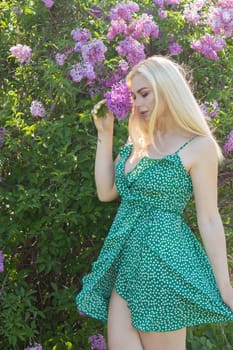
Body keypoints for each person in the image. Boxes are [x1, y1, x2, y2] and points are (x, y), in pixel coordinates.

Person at [76, 55, 233, 350]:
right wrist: (104, 134)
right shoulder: (138, 142)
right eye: (134, 96)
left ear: (167, 88)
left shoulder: (198, 146)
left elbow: (209, 219)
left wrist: (224, 285)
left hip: (164, 268)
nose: (139, 103)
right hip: (127, 267)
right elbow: (106, 191)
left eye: (145, 93)